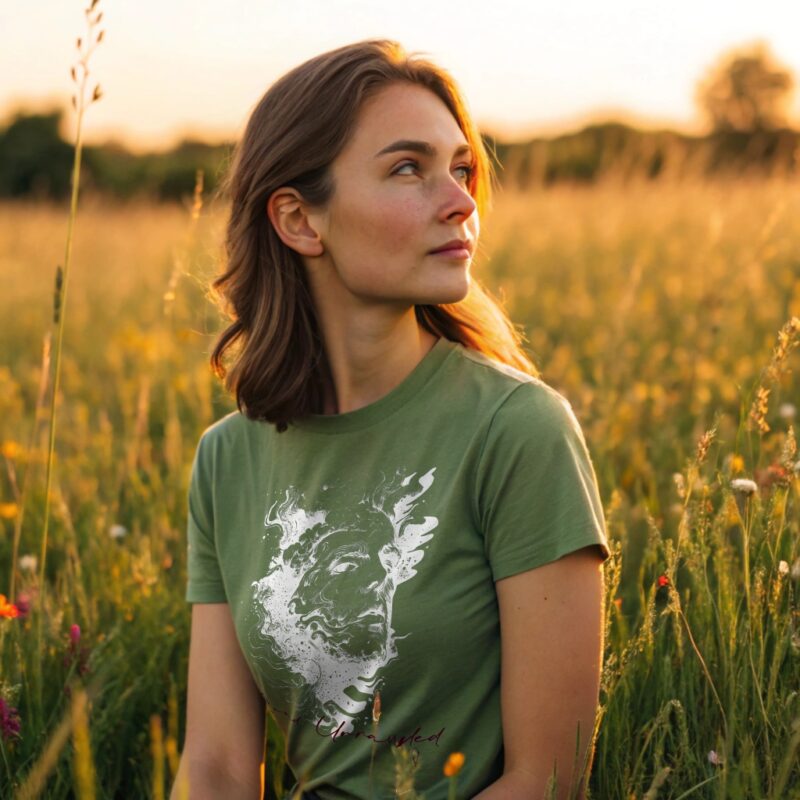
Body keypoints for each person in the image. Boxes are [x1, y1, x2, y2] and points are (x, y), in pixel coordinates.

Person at [170, 39, 610, 800]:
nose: (461, 202)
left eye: (461, 169)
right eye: (409, 168)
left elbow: (546, 780)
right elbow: (215, 766)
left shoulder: (518, 431)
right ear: (299, 220)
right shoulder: (227, 459)